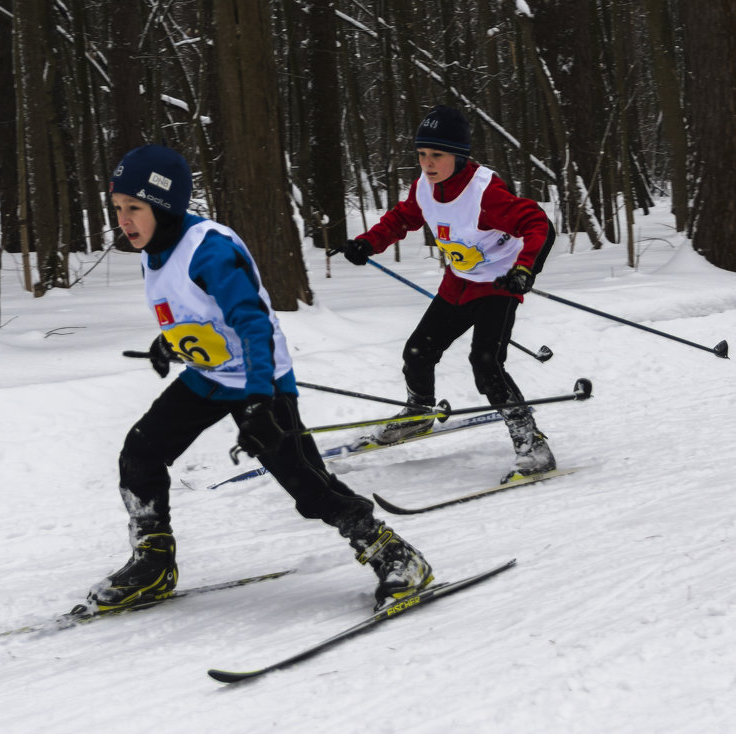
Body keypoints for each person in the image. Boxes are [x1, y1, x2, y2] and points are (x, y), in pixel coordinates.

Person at [86, 144, 433, 614]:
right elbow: (197, 311)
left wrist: (258, 402)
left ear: (163, 208)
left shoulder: (208, 249)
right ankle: (153, 563)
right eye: (119, 209)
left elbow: (251, 323)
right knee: (140, 453)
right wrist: (170, 342)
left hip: (260, 378)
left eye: (135, 208)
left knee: (306, 483)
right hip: (209, 378)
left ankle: (395, 555)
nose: (124, 220)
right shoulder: (156, 249)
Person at [342, 104, 557, 484]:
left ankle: (531, 443)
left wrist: (524, 270)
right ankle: (419, 413)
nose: (427, 163)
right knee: (417, 352)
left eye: (436, 155)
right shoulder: (424, 187)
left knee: (486, 364)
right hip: (457, 283)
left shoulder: (484, 192)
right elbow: (403, 217)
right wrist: (367, 244)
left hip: (497, 285)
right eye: (422, 154)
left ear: (459, 155)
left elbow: (538, 224)